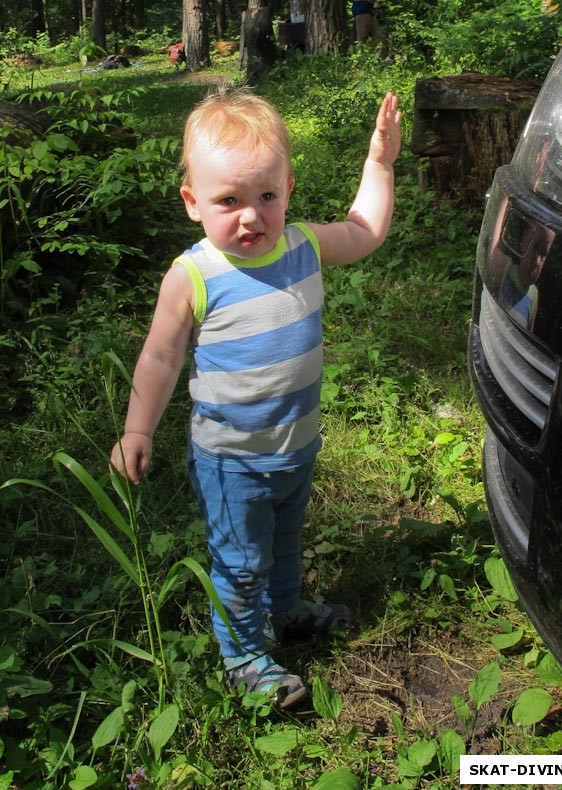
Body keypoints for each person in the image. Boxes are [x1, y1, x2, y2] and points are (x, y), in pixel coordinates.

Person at [111, 88, 401, 709]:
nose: (251, 216)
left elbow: (365, 230)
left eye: (266, 196)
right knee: (241, 561)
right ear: (193, 204)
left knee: (286, 541)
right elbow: (159, 357)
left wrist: (379, 162)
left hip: (296, 444)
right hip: (231, 458)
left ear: (288, 187)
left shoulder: (303, 245)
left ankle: (287, 609)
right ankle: (244, 657)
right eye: (228, 201)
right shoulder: (194, 276)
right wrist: (138, 430)